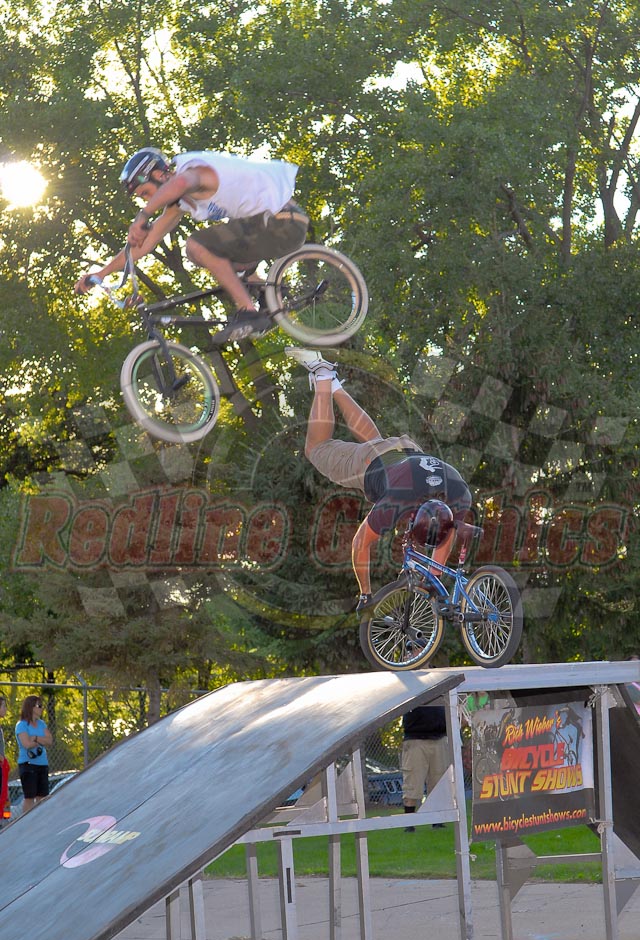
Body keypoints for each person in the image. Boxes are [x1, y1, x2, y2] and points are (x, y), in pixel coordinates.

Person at [286, 347, 473, 609]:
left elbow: (448, 531)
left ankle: (335, 383)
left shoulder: (460, 494)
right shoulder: (397, 501)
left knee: (377, 442)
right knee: (316, 448)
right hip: (369, 462)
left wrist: (434, 578)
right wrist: (366, 594)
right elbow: (359, 544)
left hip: (409, 452)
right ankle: (323, 374)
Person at [75, 147, 309, 340]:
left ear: (159, 175)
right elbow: (144, 246)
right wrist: (102, 273)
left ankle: (248, 312)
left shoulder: (194, 171)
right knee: (220, 258)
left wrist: (143, 216)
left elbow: (178, 184)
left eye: (145, 192)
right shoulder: (181, 203)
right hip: (268, 229)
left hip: (283, 222)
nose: (147, 200)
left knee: (196, 246)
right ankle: (269, 292)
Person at [401, 704, 449, 831]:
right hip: (415, 739)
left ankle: (437, 821)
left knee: (438, 783)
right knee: (412, 783)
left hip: (440, 738)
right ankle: (409, 824)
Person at [15, 695, 53, 814]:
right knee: (30, 797)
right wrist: (41, 740)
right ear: (31, 707)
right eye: (39, 706)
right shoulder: (21, 725)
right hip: (28, 765)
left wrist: (36, 738)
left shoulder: (42, 724)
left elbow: (50, 740)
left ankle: (42, 820)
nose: (42, 708)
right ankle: (27, 822)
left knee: (42, 796)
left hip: (42, 764)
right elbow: (26, 744)